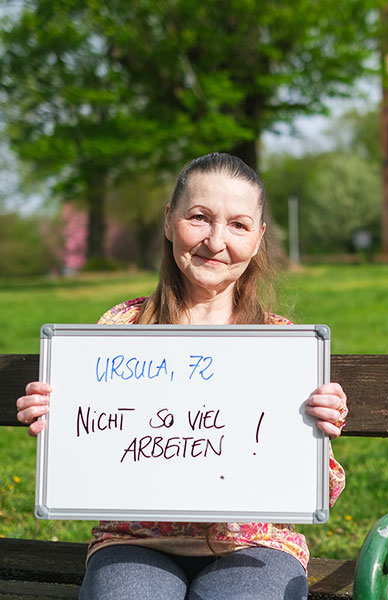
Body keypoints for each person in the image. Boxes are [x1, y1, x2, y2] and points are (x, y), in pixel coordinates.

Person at [15, 153, 348, 600]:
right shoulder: (121, 327)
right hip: (135, 541)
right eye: (199, 217)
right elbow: (91, 446)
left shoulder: (282, 345)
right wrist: (54, 418)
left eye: (239, 225)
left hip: (253, 545)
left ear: (259, 237)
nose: (215, 240)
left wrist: (319, 431)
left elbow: (316, 494)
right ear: (169, 221)